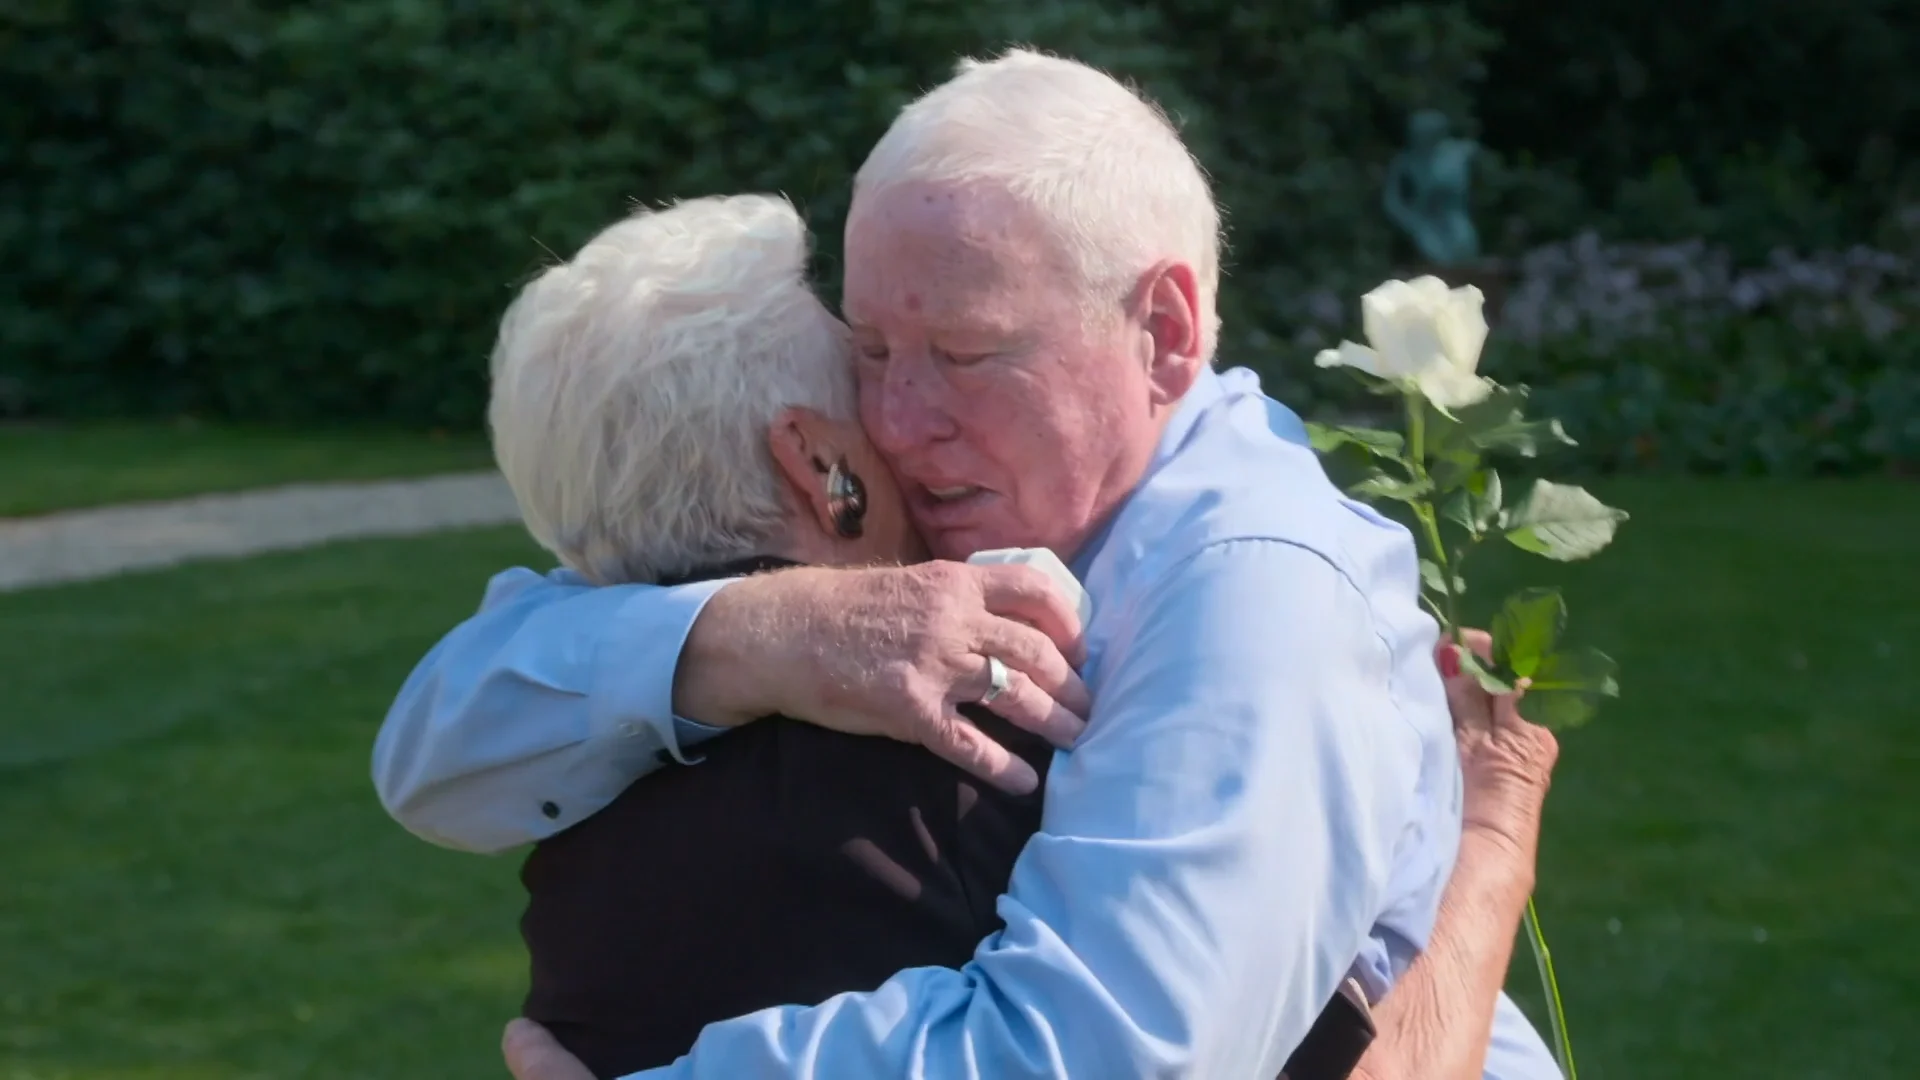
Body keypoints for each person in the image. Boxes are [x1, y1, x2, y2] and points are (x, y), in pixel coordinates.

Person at [373, 49, 1560, 1079]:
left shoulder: (1262, 595)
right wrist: (752, 637)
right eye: (874, 349)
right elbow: (434, 752)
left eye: (966, 352)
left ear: (1166, 332)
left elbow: (1113, 1057)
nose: (895, 416)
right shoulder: (922, 528)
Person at [480, 191, 1388, 1080]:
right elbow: (1326, 1051)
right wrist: (1478, 845)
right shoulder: (989, 747)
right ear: (820, 464)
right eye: (870, 368)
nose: (911, 419)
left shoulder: (560, 826)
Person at [497, 632, 1564, 1080]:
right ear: (817, 466)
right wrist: (1498, 827)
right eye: (873, 362)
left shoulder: (565, 855)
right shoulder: (1003, 768)